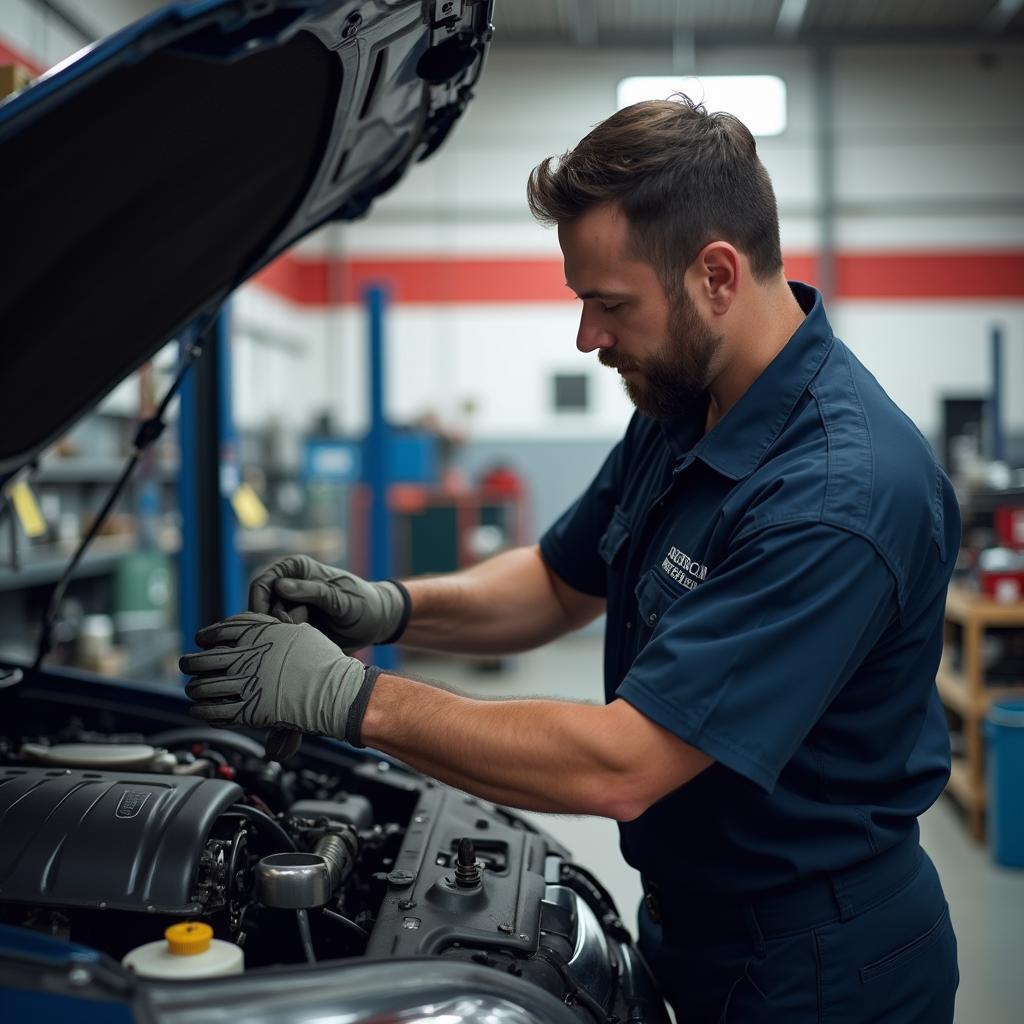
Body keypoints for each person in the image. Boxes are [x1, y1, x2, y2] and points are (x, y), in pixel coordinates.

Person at [181, 96, 960, 1022]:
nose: (587, 338)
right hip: (701, 928)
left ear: (717, 274)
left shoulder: (839, 495)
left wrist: (355, 698)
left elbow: (621, 765)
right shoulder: (681, 412)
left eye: (609, 304)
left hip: (825, 969)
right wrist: (386, 606)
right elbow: (557, 580)